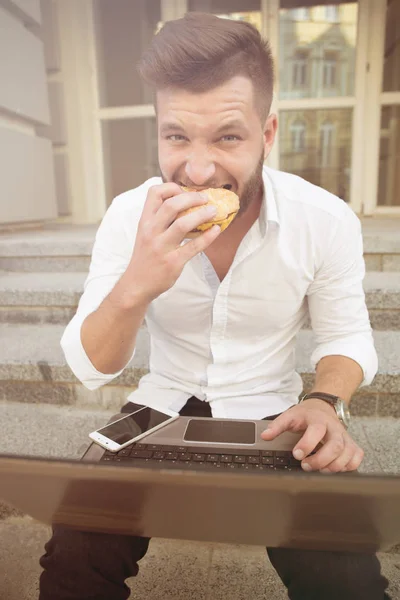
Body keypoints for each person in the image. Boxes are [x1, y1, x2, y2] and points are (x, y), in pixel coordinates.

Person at [39, 12, 390, 600]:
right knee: (75, 553)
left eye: (228, 137)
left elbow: (347, 338)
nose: (197, 169)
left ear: (268, 132)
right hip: (159, 406)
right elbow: (90, 367)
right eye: (176, 136)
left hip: (277, 415)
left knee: (345, 573)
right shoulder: (130, 217)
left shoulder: (324, 220)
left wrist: (326, 402)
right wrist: (138, 282)